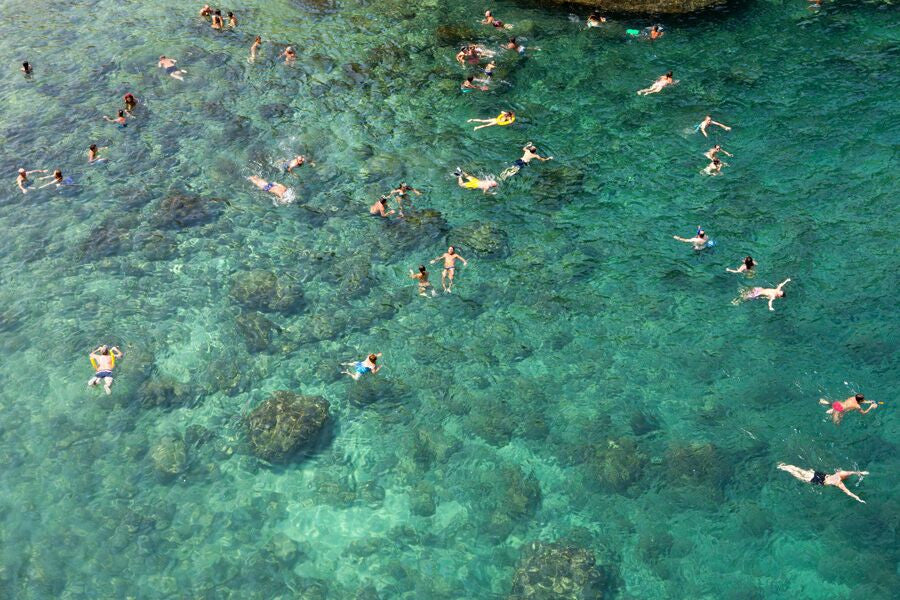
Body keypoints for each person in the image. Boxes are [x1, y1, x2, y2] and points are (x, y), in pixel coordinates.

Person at [777, 463, 868, 503]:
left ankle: (785, 466)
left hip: (822, 475)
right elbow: (848, 492)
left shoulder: (840, 473)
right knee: (799, 476)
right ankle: (785, 468)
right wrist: (858, 499)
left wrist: (861, 473)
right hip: (820, 481)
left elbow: (852, 472)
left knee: (801, 471)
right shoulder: (839, 483)